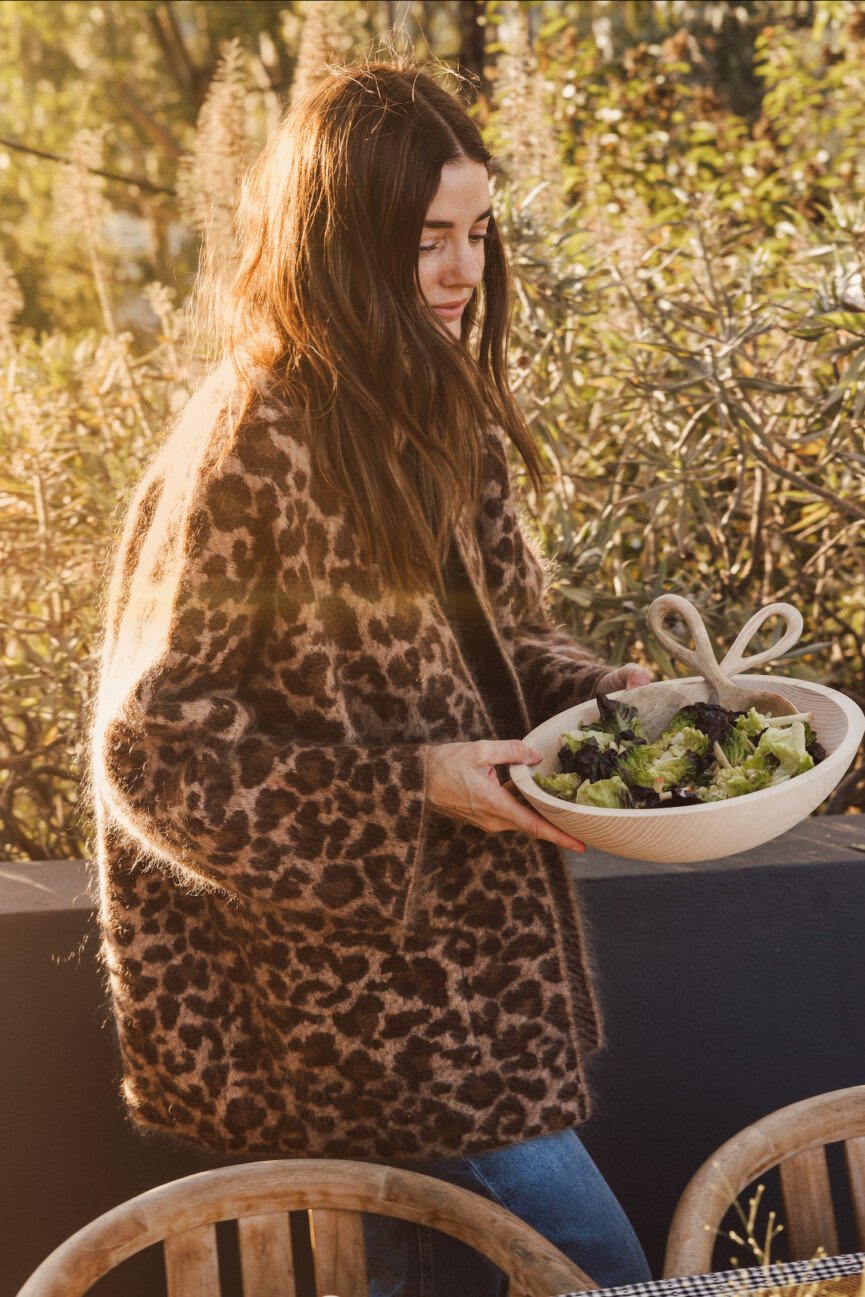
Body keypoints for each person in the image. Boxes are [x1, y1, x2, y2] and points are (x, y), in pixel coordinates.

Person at [88, 56, 654, 1295]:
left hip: (466, 999)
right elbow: (155, 751)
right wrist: (413, 789)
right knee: (609, 1275)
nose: (463, 272)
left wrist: (609, 704)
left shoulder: (436, 411)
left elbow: (498, 645)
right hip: (344, 1018)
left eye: (476, 233)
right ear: (338, 242)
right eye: (426, 240)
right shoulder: (256, 438)